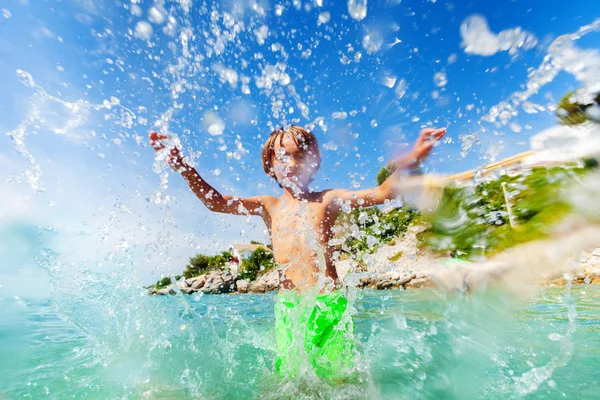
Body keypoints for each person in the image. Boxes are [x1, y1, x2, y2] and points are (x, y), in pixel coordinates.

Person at [149, 125, 445, 380]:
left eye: (301, 155)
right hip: (290, 309)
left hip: (330, 305)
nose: (292, 162)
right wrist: (184, 168)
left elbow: (382, 193)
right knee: (290, 381)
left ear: (314, 162)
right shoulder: (269, 206)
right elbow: (218, 203)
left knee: (339, 378)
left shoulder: (328, 199)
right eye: (283, 156)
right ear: (270, 165)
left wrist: (413, 159)